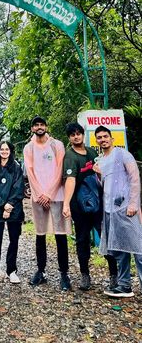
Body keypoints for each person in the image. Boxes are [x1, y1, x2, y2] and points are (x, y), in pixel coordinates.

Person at [62, 123, 117, 291]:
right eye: (72, 134)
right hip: (79, 206)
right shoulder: (70, 157)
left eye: (79, 133)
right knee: (82, 240)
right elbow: (70, 180)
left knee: (106, 237)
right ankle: (85, 275)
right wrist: (66, 204)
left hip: (98, 204)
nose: (76, 136)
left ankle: (114, 275)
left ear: (83, 135)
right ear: (69, 138)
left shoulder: (93, 153)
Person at [93, 125, 142, 298]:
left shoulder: (122, 154)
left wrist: (133, 204)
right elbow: (103, 186)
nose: (103, 139)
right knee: (119, 250)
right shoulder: (100, 161)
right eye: (99, 137)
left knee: (139, 248)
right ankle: (124, 286)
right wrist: (98, 175)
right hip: (109, 210)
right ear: (96, 141)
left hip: (126, 207)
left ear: (112, 138)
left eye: (105, 136)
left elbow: (134, 178)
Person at [24, 116, 72, 290]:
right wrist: (40, 194)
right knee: (40, 234)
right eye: (36, 125)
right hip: (38, 197)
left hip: (57, 195)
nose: (39, 127)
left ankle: (64, 274)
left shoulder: (57, 145)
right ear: (32, 129)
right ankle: (41, 271)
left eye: (42, 124)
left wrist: (50, 193)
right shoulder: (28, 148)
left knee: (60, 234)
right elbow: (30, 172)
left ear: (46, 126)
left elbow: (60, 169)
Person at [0, 140, 24, 283]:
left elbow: (18, 188)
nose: (4, 151)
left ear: (10, 151)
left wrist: (9, 205)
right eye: (2, 149)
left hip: (14, 208)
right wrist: (2, 205)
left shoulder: (16, 167)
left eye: (7, 149)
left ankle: (11, 270)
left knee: (14, 239)